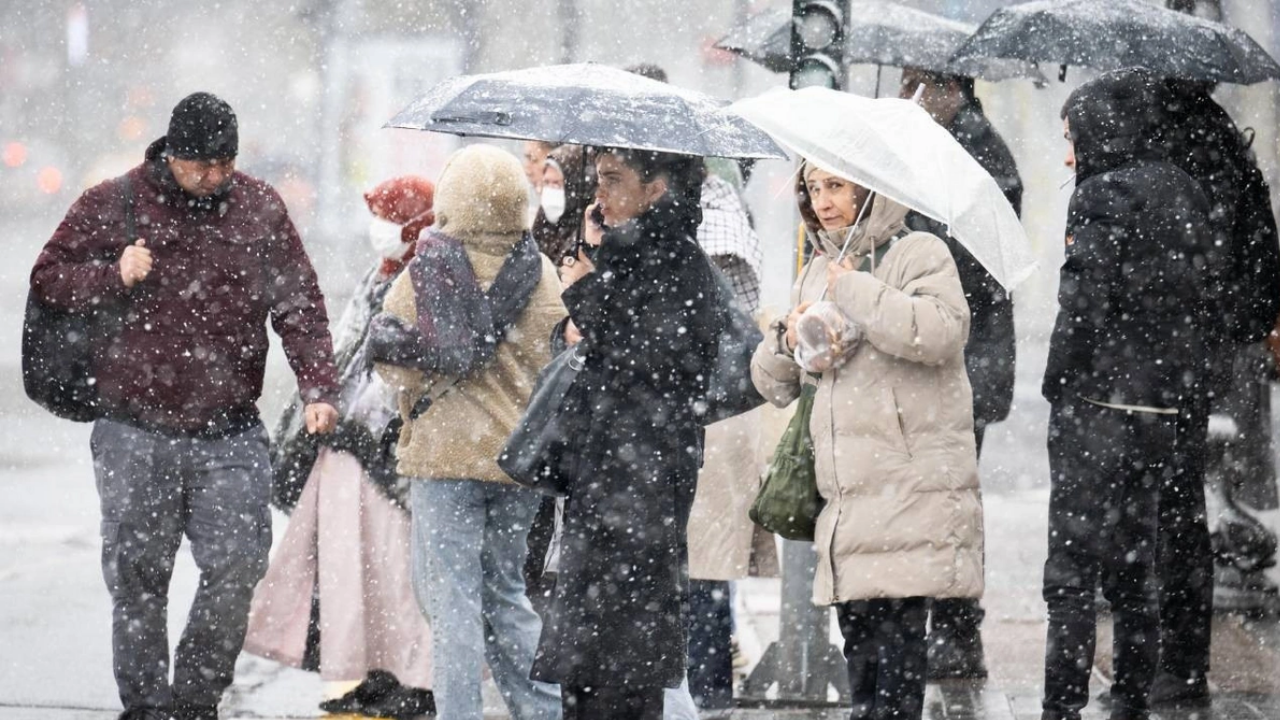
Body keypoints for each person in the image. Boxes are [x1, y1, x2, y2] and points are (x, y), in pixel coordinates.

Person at [29, 92, 341, 720]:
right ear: (171, 154)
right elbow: (49, 277)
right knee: (139, 580)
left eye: (225, 161)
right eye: (201, 163)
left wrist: (318, 386)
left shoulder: (259, 208)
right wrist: (112, 273)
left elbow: (299, 302)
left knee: (238, 566)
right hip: (133, 428)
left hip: (228, 429)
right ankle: (147, 709)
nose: (215, 175)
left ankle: (194, 703)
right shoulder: (114, 203)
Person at [751, 161, 982, 720]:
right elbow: (773, 383)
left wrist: (852, 289)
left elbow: (940, 331)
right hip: (847, 494)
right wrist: (787, 336)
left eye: (836, 185)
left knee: (899, 651)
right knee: (862, 655)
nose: (823, 200)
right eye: (812, 188)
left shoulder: (918, 253)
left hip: (907, 487)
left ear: (870, 190)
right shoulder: (818, 269)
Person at [1040, 68, 1216, 720]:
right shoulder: (1188, 193)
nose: (1068, 154)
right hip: (1163, 411)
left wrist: (1058, 381)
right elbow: (1201, 302)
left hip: (1099, 410)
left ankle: (1060, 710)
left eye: (1071, 138)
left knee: (1070, 578)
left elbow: (1082, 302)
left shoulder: (1099, 196)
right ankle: (1131, 705)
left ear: (1097, 131)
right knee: (1135, 572)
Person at [368, 145, 565, 720]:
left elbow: (394, 364)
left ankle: (458, 713)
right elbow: (555, 361)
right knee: (507, 594)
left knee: (450, 600)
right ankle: (542, 711)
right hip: (515, 459)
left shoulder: (427, 269)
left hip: (443, 460)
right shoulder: (541, 274)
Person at [532, 147, 728, 720]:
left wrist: (586, 288)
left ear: (657, 188)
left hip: (641, 488)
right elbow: (597, 356)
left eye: (614, 180)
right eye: (597, 180)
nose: (599, 195)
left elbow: (653, 364)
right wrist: (592, 271)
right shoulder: (627, 252)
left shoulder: (675, 261)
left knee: (621, 672)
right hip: (607, 482)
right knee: (588, 671)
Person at [243, 176, 437, 719]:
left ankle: (416, 681)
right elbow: (351, 350)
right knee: (359, 571)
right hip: (351, 448)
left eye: (388, 215)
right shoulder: (382, 275)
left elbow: (399, 367)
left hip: (385, 453)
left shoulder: (425, 278)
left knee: (398, 572)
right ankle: (378, 671)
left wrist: (364, 428)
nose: (378, 228)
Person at [1152, 77, 1280, 705]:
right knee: (1183, 509)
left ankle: (1170, 664)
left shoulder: (1172, 157)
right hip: (1210, 351)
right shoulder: (1229, 148)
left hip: (1173, 357)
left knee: (1167, 511)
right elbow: (1260, 262)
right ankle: (1182, 664)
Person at [899, 66, 1022, 681]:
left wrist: (910, 226)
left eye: (913, 85)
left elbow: (970, 265)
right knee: (930, 497)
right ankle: (937, 627)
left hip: (964, 361)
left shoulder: (976, 153)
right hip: (949, 357)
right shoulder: (941, 144)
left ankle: (953, 632)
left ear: (949, 90)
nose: (904, 98)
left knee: (947, 500)